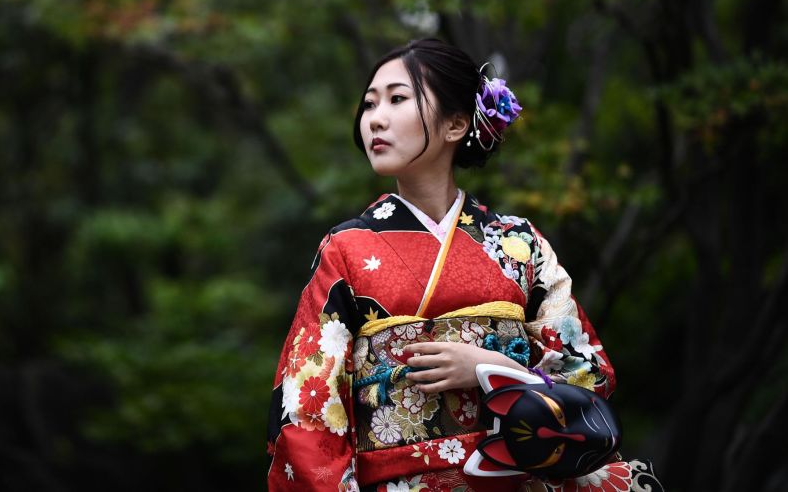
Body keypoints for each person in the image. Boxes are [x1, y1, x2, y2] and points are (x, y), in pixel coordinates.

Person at [265, 38, 662, 492]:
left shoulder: (518, 244)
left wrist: (493, 369)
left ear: (456, 124)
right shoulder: (347, 248)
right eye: (369, 104)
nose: (375, 117)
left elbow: (588, 375)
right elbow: (306, 405)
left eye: (397, 99)